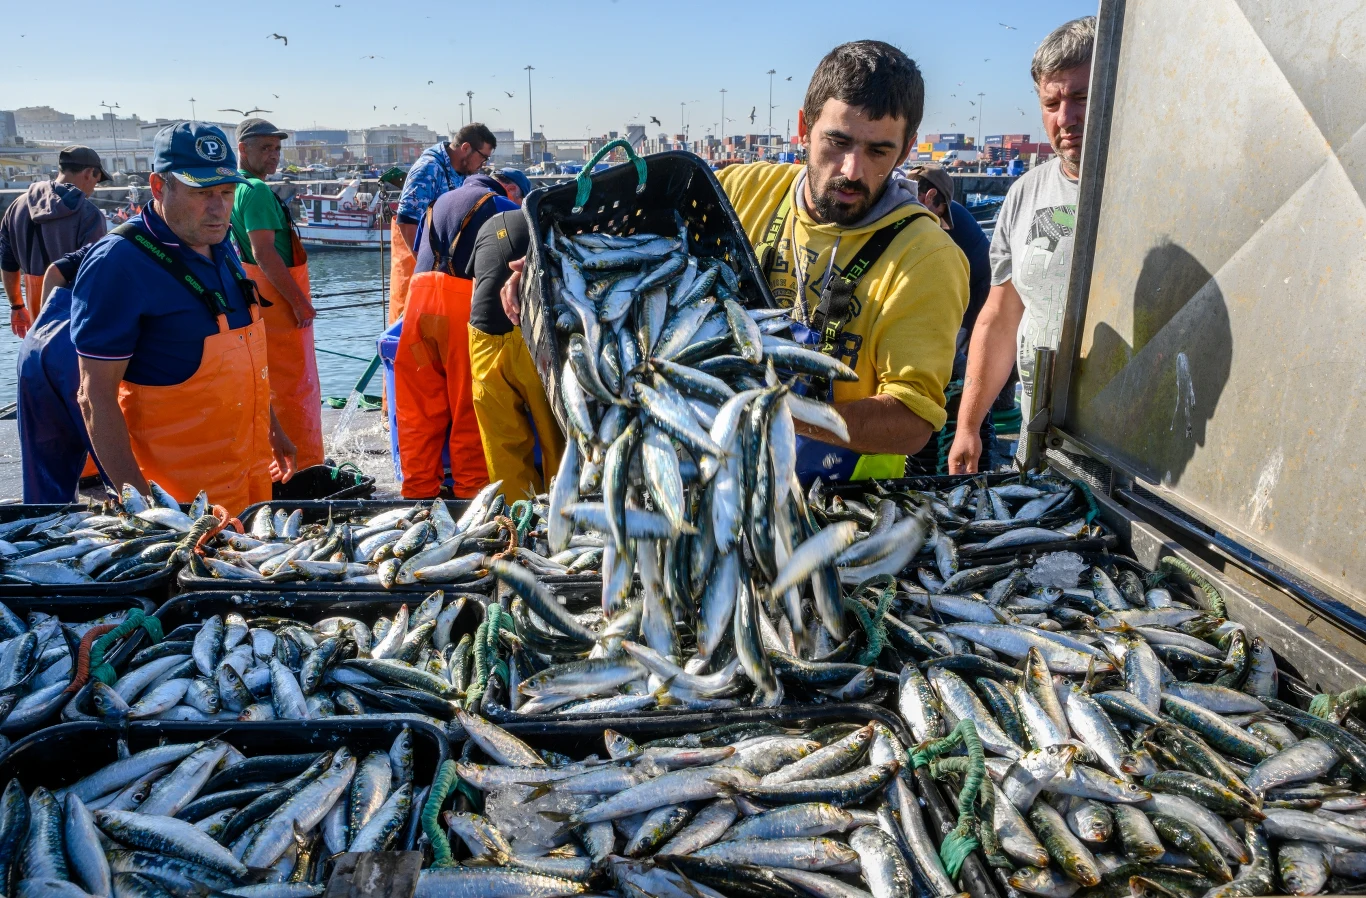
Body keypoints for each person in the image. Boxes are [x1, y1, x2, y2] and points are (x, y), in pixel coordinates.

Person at [500, 41, 968, 484]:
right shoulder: (745, 188)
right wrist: (548, 277)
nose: (852, 170)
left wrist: (767, 411)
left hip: (843, 509)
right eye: (837, 141)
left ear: (906, 150)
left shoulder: (926, 257)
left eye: (879, 150)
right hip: (716, 474)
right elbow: (634, 248)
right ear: (803, 128)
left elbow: (911, 422)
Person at [71, 122, 297, 514]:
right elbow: (94, 397)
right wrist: (145, 509)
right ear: (159, 186)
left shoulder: (219, 242)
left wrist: (274, 430)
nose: (218, 208)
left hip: (250, 483)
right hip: (179, 505)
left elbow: (244, 357)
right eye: (202, 193)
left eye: (227, 193)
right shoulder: (118, 264)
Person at [949, 16, 1094, 474]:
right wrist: (968, 425)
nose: (1065, 118)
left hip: (1139, 469)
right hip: (1039, 450)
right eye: (1051, 102)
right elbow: (1000, 315)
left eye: (1081, 98)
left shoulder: (1155, 192)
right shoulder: (1024, 193)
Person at [394, 174, 516, 498]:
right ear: (496, 191)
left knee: (418, 406)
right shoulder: (499, 205)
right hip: (462, 305)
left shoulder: (434, 205)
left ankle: (418, 491)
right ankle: (470, 492)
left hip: (419, 309)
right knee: (468, 405)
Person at [902, 162, 1010, 473]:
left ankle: (973, 429)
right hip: (960, 285)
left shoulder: (941, 224)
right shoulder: (916, 213)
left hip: (977, 291)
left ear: (930, 197)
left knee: (958, 362)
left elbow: (934, 285)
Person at [232, 117, 324, 470]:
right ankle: (302, 464)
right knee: (292, 387)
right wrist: (300, 302)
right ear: (242, 149)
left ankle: (270, 461)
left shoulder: (236, 188)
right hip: (281, 305)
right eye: (265, 149)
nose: (274, 156)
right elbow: (264, 253)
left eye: (277, 149)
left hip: (259, 301)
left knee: (267, 382)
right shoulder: (255, 190)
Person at [467, 206, 565, 499]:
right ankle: (563, 513)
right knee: (555, 434)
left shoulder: (485, 229)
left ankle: (517, 521)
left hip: (482, 336)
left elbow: (475, 290)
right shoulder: (543, 223)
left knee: (502, 444)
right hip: (529, 332)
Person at [389, 124, 497, 326]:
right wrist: (428, 269)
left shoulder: (462, 171)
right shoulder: (429, 168)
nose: (483, 164)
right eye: (483, 157)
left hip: (448, 274)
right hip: (426, 275)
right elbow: (407, 220)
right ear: (465, 148)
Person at [16, 245, 99, 502]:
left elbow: (55, 270)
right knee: (128, 480)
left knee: (45, 481)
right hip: (88, 348)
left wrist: (44, 327)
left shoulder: (114, 239)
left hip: (39, 342)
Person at [1, 146, 110, 337]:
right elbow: (96, 274)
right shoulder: (89, 215)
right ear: (87, 173)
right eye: (97, 179)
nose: (94, 187)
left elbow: (7, 262)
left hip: (36, 318)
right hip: (74, 317)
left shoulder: (16, 207)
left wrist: (17, 305)